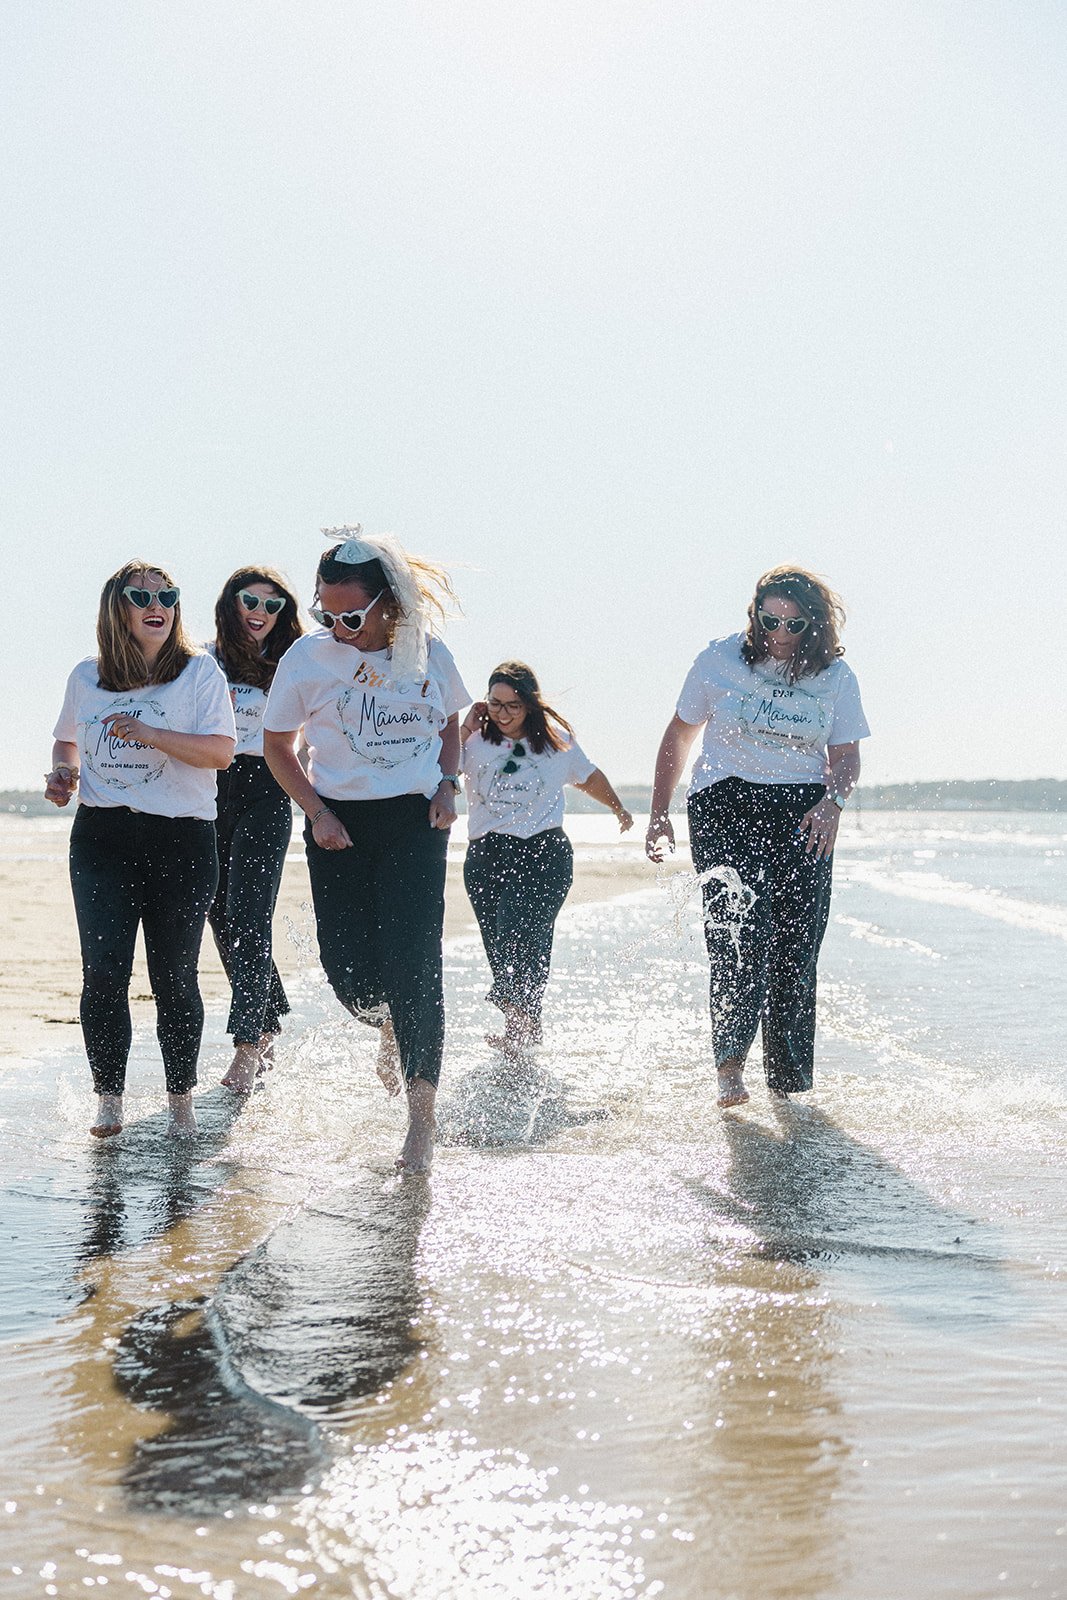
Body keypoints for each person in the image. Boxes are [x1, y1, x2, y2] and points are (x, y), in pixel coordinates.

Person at [262, 526, 469, 1174]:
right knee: (348, 975)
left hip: (414, 822)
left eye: (349, 616)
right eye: (325, 613)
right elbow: (276, 747)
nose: (336, 628)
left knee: (416, 966)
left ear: (389, 604)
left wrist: (448, 783)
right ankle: (387, 1023)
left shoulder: (428, 654)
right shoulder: (307, 659)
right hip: (337, 825)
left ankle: (421, 1121)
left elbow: (450, 725)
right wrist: (317, 812)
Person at [646, 566, 869, 1108]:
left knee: (797, 943)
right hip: (725, 801)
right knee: (738, 933)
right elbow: (679, 734)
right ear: (755, 615)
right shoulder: (717, 659)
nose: (780, 633)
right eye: (770, 621)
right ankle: (729, 1068)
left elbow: (845, 757)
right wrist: (658, 812)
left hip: (805, 809)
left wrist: (833, 804)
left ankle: (787, 1086)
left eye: (794, 624)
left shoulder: (836, 677)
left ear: (815, 624)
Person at [46, 561, 236, 1139]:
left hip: (182, 839)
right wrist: (63, 773)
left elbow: (221, 752)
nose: (158, 606)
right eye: (143, 596)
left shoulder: (199, 672)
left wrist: (152, 734)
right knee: (103, 972)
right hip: (102, 837)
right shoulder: (87, 676)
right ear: (117, 607)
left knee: (173, 975)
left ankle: (181, 1103)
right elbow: (67, 740)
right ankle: (109, 1100)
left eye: (168, 596)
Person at [460, 661, 633, 1056]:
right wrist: (466, 729)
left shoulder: (556, 742)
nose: (503, 714)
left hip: (543, 852)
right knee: (498, 942)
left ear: (529, 704)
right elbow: (445, 773)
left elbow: (588, 776)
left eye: (512, 705)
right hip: (486, 856)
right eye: (495, 704)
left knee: (520, 931)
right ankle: (524, 1025)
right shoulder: (473, 742)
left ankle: (521, 1023)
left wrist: (618, 808)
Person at [206, 566, 304, 1093]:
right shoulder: (204, 660)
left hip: (267, 788)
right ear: (231, 603)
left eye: (273, 604)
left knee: (248, 915)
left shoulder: (294, 661)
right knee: (219, 914)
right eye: (251, 601)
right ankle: (266, 1025)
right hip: (208, 788)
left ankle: (247, 1045)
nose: (261, 613)